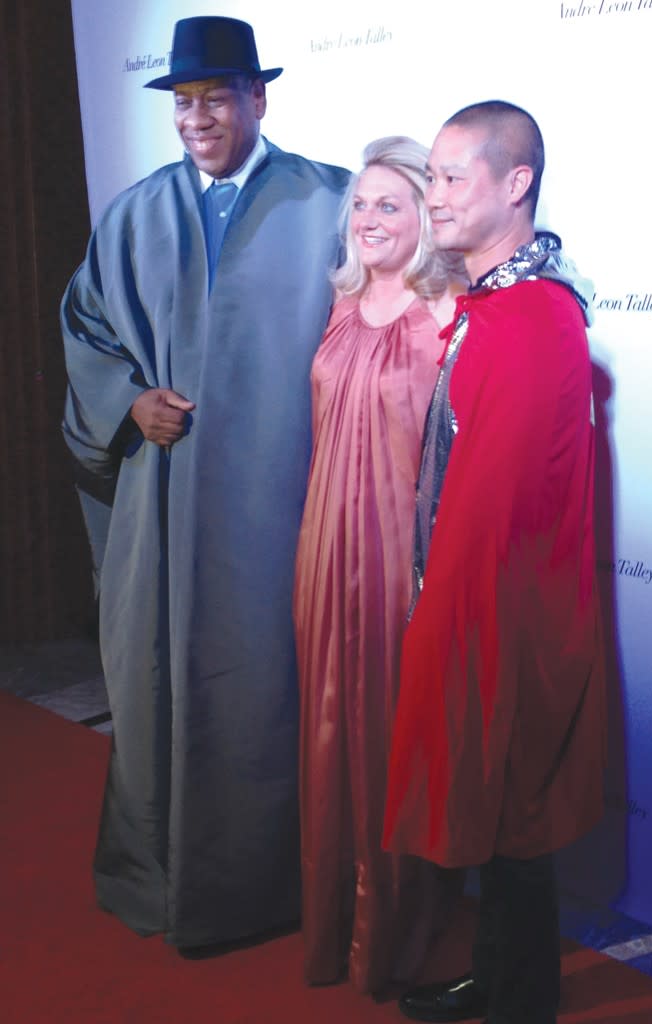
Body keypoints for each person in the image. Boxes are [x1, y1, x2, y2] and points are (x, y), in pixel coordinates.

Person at [60, 15, 349, 954]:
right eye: (183, 102)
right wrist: (130, 399)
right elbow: (87, 326)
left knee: (272, 687)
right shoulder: (135, 213)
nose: (197, 118)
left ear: (257, 99)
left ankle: (276, 887)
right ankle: (160, 875)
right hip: (166, 501)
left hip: (284, 505)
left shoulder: (330, 205)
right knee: (154, 679)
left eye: (215, 98)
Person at [381, 102, 606, 1024]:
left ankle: (521, 1003)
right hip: (484, 603)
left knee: (513, 816)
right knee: (499, 817)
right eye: (428, 177)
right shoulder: (498, 304)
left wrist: (438, 622)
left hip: (507, 615)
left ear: (515, 186)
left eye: (449, 177)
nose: (431, 197)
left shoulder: (530, 317)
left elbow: (496, 511)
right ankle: (500, 981)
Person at [294, 136, 467, 993]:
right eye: (358, 204)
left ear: (426, 220)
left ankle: (393, 934)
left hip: (402, 567)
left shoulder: (451, 313)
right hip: (324, 556)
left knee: (391, 747)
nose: (367, 219)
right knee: (328, 741)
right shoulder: (334, 305)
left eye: (388, 204)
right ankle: (330, 925)